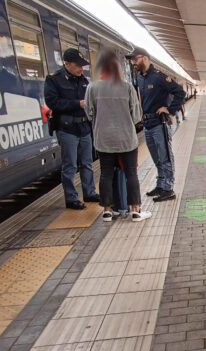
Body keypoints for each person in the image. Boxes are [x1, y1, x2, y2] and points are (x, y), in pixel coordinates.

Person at [85, 47, 150, 222]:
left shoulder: (93, 88)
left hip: (103, 140)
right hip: (126, 139)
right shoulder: (127, 87)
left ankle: (107, 210)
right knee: (131, 174)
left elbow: (89, 114)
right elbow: (137, 116)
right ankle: (136, 210)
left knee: (106, 174)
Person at [126, 47, 185, 202]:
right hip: (147, 124)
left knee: (165, 156)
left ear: (145, 58)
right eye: (132, 60)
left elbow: (180, 92)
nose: (133, 63)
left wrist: (170, 109)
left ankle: (168, 188)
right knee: (156, 157)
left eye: (135, 59)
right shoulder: (140, 78)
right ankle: (160, 184)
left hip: (160, 123)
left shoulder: (159, 77)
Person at [44, 48, 99, 210]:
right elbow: (53, 103)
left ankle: (89, 193)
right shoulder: (54, 80)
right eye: (78, 65)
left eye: (82, 65)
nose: (81, 68)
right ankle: (71, 198)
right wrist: (77, 104)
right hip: (67, 129)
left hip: (84, 127)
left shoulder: (84, 81)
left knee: (87, 163)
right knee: (70, 166)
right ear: (67, 64)